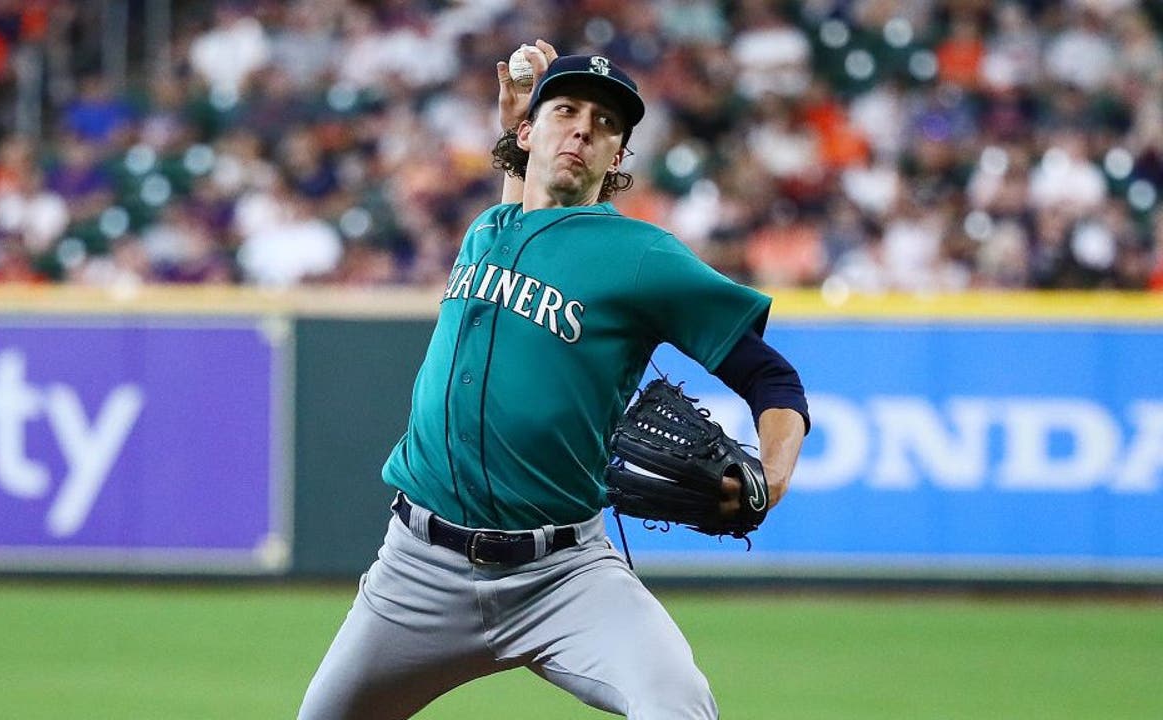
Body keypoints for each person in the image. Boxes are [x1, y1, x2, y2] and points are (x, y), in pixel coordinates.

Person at [297, 44, 810, 720]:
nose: (583, 129)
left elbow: (772, 377)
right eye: (566, 110)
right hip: (418, 569)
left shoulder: (641, 257)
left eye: (604, 125)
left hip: (562, 575)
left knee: (677, 703)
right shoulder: (490, 227)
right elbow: (525, 206)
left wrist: (771, 477)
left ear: (618, 157)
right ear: (531, 132)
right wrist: (514, 118)